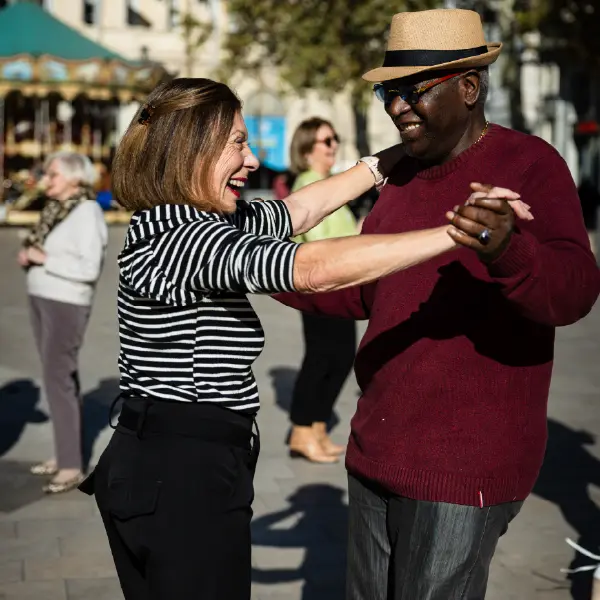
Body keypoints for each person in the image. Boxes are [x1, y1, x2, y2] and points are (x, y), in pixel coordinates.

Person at [77, 77, 528, 600]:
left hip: (171, 462)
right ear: (191, 151)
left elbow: (298, 213)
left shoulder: (194, 220)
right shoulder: (181, 236)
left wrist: (386, 160)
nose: (251, 160)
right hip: (181, 471)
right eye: (238, 144)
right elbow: (309, 267)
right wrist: (456, 234)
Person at [274, 8, 600, 600]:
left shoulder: (530, 165)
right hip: (375, 448)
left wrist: (507, 250)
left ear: (469, 88)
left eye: (413, 91)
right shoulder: (398, 182)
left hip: (463, 466)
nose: (398, 107)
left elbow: (575, 290)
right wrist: (261, 270)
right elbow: (367, 292)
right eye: (387, 93)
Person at [19, 151, 108, 493]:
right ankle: (63, 455)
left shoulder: (87, 212)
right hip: (44, 298)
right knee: (58, 378)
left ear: (74, 178)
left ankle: (70, 465)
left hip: (66, 304)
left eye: (53, 174)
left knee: (58, 379)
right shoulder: (59, 209)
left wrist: (44, 259)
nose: (46, 180)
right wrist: (32, 258)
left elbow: (88, 270)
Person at [287, 117, 358, 463]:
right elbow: (317, 239)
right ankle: (302, 430)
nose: (333, 146)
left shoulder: (327, 184)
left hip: (339, 286)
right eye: (326, 141)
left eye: (335, 139)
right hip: (320, 288)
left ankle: (316, 427)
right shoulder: (309, 184)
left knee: (339, 357)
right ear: (306, 149)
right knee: (321, 359)